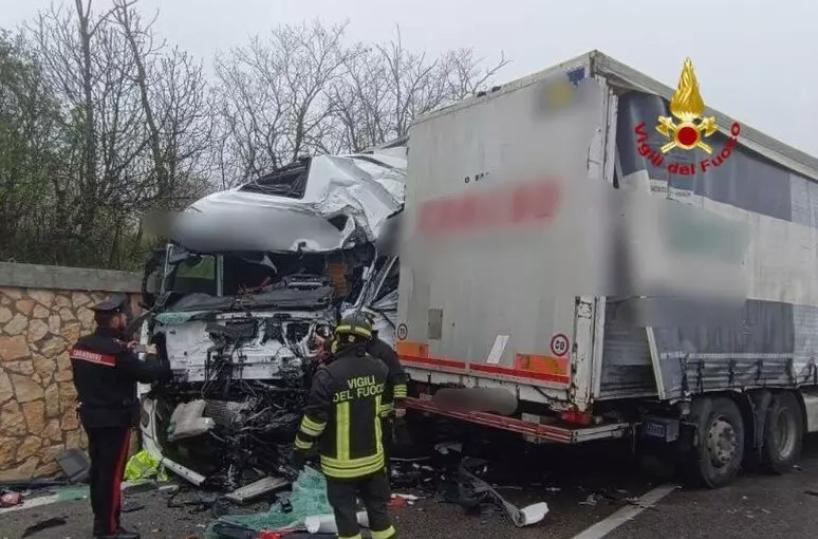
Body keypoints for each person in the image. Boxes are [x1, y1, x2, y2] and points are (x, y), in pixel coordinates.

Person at [70, 295, 171, 539]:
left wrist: (126, 346)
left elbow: (107, 366)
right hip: (114, 420)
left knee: (99, 472)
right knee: (112, 476)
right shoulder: (117, 352)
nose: (127, 319)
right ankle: (108, 530)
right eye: (124, 316)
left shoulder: (81, 346)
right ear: (115, 318)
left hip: (92, 417)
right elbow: (149, 374)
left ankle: (101, 524)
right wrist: (156, 354)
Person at [292, 315, 396, 539]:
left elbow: (314, 422)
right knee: (379, 513)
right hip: (374, 460)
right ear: (367, 341)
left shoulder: (328, 375)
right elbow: (386, 411)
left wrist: (300, 450)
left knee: (346, 516)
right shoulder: (380, 369)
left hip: (341, 466)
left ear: (339, 338)